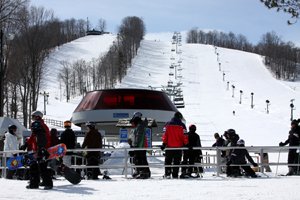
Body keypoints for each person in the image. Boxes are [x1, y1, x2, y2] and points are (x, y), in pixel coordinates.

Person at [23, 110, 53, 189]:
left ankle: (47, 183)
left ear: (37, 117)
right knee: (34, 166)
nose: (32, 119)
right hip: (37, 149)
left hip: (40, 149)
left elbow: (43, 138)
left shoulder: (39, 125)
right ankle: (34, 184)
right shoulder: (39, 125)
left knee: (41, 166)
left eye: (33, 117)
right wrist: (26, 144)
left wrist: (42, 148)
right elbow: (33, 136)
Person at [161, 111, 188, 179]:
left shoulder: (167, 124)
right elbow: (185, 136)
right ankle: (175, 174)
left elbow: (165, 135)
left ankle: (167, 173)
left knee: (168, 161)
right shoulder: (182, 125)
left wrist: (164, 143)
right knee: (177, 161)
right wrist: (186, 143)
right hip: (178, 147)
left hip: (169, 147)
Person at [128, 112, 151, 179]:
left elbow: (139, 136)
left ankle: (143, 172)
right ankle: (142, 171)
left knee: (140, 159)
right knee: (140, 159)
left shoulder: (140, 126)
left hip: (140, 145)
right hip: (140, 145)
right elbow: (137, 136)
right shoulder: (140, 125)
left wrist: (134, 145)